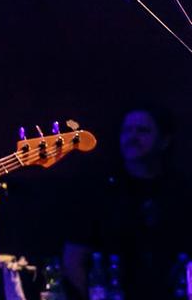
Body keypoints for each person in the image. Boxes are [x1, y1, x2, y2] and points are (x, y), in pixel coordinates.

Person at [62, 105, 192, 298]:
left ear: (164, 141)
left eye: (142, 131)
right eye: (127, 131)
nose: (132, 138)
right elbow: (74, 257)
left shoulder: (182, 191)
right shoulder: (100, 191)